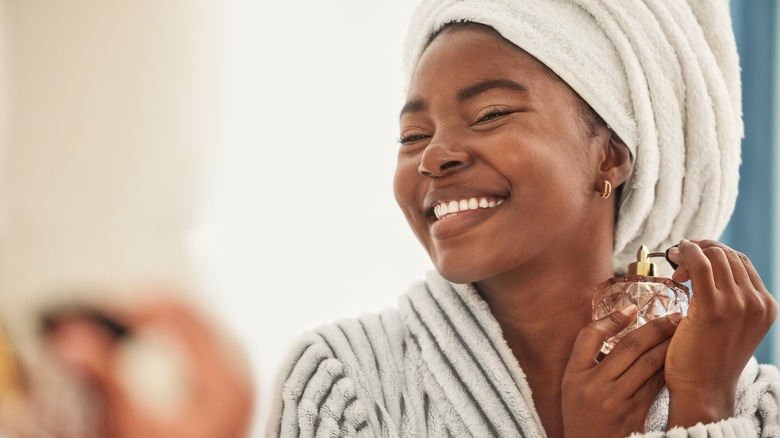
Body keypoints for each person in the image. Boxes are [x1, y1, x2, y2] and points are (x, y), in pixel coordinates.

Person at [266, 1, 780, 437]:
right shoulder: (342, 383)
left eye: (490, 114)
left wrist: (703, 406)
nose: (432, 157)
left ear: (610, 156)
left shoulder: (755, 407)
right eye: (412, 136)